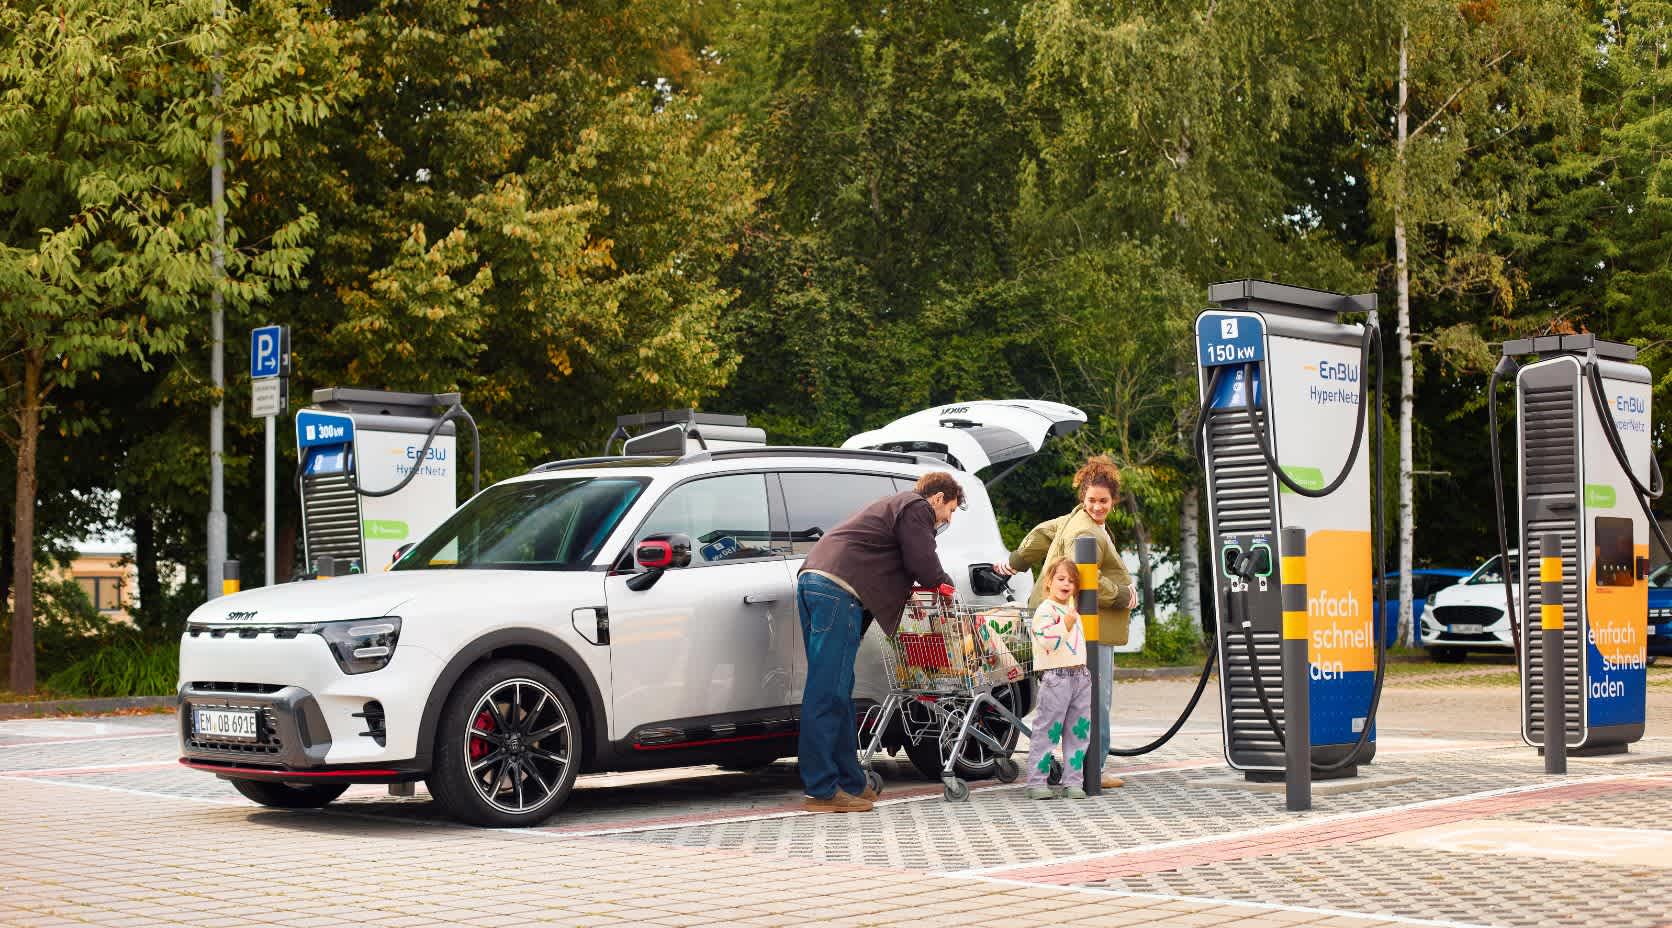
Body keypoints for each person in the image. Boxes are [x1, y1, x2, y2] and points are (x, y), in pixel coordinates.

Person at [796, 471, 962, 813]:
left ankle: (851, 782)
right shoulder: (916, 507)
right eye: (951, 510)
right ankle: (821, 790)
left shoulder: (893, 507)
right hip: (837, 590)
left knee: (839, 690)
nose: (948, 519)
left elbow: (894, 559)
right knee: (827, 692)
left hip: (820, 582)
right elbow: (923, 561)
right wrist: (944, 585)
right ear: (938, 498)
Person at [993, 454, 1136, 790]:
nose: (1097, 506)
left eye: (1103, 501)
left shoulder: (1075, 518)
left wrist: (1016, 562)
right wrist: (1121, 595)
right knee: (1095, 698)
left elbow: (1042, 533)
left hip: (1060, 624)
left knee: (1066, 700)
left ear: (1113, 501)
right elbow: (1084, 575)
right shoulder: (1085, 530)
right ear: (1083, 497)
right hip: (1084, 626)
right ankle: (1093, 769)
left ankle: (1072, 769)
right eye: (1092, 500)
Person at [1022, 557, 1094, 800]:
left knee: (1078, 732)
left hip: (1080, 676)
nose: (1066, 584)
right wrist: (1066, 623)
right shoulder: (1046, 610)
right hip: (1056, 677)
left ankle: (1073, 781)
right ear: (1049, 582)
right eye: (1061, 579)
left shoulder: (1071, 610)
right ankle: (1036, 782)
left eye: (1072, 581)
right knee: (1048, 731)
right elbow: (1047, 641)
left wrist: (1070, 619)